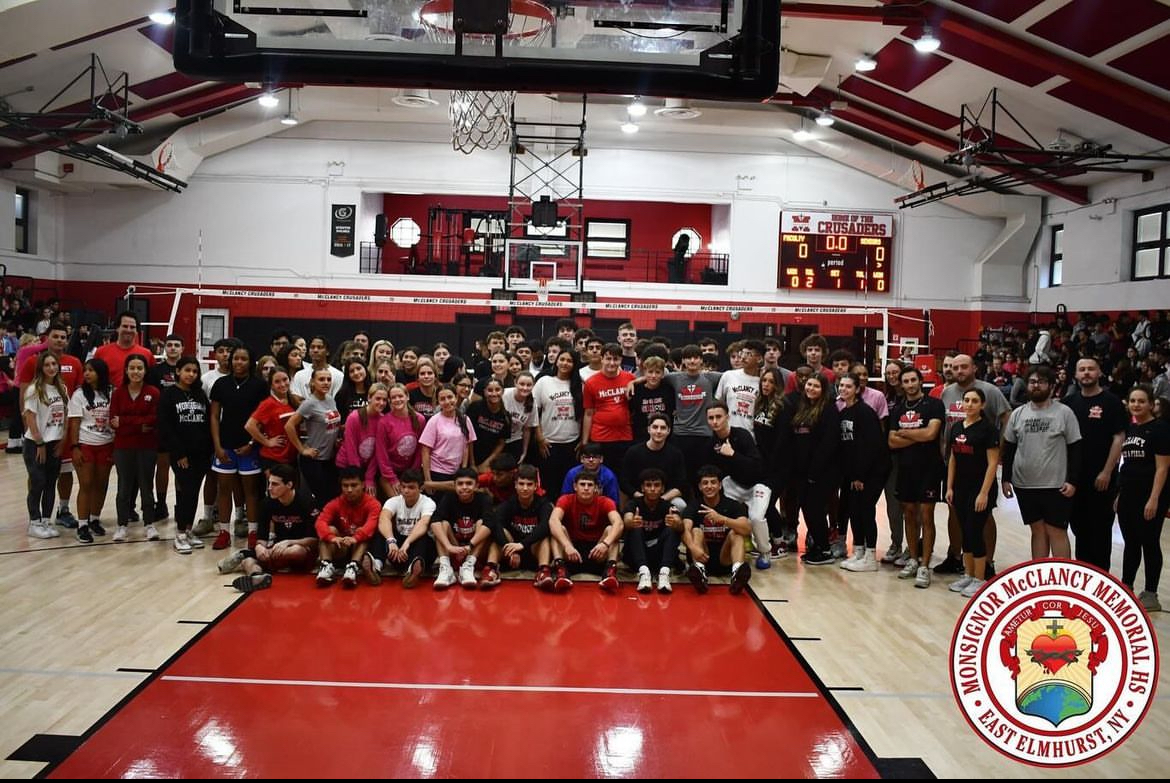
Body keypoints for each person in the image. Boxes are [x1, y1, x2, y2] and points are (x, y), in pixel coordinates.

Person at [1001, 365, 1082, 560]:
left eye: (1042, 382)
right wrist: (1005, 479)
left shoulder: (1064, 412)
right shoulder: (1018, 414)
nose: (1036, 385)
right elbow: (1009, 448)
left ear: (1052, 386)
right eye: (1032, 382)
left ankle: (1062, 581)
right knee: (1037, 531)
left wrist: (1073, 480)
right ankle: (1041, 578)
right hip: (1024, 484)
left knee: (1056, 531)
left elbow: (1076, 449)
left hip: (1056, 485)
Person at [1063, 357, 1127, 572]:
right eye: (1082, 369)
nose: (1087, 373)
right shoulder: (1069, 403)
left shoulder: (1111, 402)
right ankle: (1084, 575)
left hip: (1101, 479)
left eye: (1091, 369)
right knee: (1080, 530)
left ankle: (1101, 577)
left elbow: (1119, 438)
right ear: (1076, 375)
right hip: (1075, 479)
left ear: (1099, 373)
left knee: (1099, 532)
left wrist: (1107, 471)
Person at [218, 464, 318, 591]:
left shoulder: (306, 502)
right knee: (248, 562)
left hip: (301, 551)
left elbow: (315, 541)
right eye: (269, 483)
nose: (270, 488)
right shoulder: (267, 503)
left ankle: (246, 554)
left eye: (275, 484)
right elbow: (262, 538)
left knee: (295, 551)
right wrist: (260, 548)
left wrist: (289, 542)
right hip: (277, 551)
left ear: (289, 485)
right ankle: (258, 577)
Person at [888, 366, 946, 588]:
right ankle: (912, 559)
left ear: (921, 381)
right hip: (905, 468)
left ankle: (925, 565)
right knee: (909, 514)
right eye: (906, 381)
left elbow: (931, 434)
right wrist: (918, 436)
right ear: (901, 385)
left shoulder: (934, 405)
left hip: (929, 468)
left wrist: (905, 433)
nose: (910, 384)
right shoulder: (898, 408)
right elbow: (892, 442)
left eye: (914, 380)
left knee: (926, 515)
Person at [1116, 385, 1169, 612]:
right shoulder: (1129, 429)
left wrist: (1154, 498)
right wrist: (1119, 494)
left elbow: (1163, 468)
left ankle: (1151, 593)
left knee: (1149, 542)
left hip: (1150, 496)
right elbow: (1125, 464)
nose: (1136, 405)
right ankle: (1126, 586)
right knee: (1131, 542)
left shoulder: (1160, 429)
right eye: (1133, 401)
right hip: (1128, 494)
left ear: (1150, 404)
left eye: (1141, 401)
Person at [945, 388, 1000, 598]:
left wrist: (984, 493)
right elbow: (953, 459)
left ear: (982, 405)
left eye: (974, 401)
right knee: (965, 533)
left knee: (975, 532)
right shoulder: (957, 426)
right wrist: (950, 487)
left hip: (980, 490)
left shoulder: (988, 430)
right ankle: (968, 574)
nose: (969, 404)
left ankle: (980, 579)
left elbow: (993, 463)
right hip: (960, 488)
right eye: (966, 400)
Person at [157, 356, 212, 554]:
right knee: (185, 491)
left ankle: (188, 530)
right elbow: (166, 427)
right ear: (178, 371)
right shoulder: (169, 394)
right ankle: (179, 533)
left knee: (193, 492)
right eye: (187, 370)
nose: (191, 374)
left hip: (201, 453)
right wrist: (178, 452)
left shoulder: (199, 394)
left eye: (195, 371)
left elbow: (206, 424)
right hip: (181, 453)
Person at [837, 374, 889, 573]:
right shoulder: (844, 412)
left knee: (866, 510)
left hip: (872, 471)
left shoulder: (865, 412)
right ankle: (858, 551)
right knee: (854, 510)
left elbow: (869, 446)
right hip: (854, 472)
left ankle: (870, 556)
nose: (844, 389)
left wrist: (860, 475)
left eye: (848, 386)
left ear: (857, 389)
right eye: (841, 386)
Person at [110, 354, 160, 543]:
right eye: (132, 368)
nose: (136, 372)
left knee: (147, 486)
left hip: (147, 447)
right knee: (124, 486)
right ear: (126, 370)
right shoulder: (118, 393)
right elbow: (113, 421)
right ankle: (122, 525)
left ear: (145, 371)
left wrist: (125, 421)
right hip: (123, 447)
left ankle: (149, 524)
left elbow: (154, 419)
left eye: (140, 368)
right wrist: (138, 423)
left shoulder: (153, 392)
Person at [547, 470, 625, 592]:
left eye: (590, 485)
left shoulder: (605, 502)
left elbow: (619, 523)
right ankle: (561, 571)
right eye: (582, 484)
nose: (586, 488)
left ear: (596, 488)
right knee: (558, 529)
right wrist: (567, 545)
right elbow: (553, 521)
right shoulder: (565, 500)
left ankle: (610, 573)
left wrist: (605, 544)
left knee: (612, 530)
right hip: (572, 551)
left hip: (597, 551)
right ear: (575, 486)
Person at [682, 465, 752, 595]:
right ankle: (700, 573)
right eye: (705, 483)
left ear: (720, 485)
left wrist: (723, 519)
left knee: (736, 533)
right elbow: (684, 529)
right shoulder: (693, 505)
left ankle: (737, 574)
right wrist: (692, 547)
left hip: (725, 558)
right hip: (702, 556)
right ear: (700, 487)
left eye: (713, 482)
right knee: (696, 530)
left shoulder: (732, 505)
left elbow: (747, 529)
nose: (709, 486)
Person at [66, 358, 115, 544]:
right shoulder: (79, 395)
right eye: (85, 370)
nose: (86, 373)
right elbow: (75, 423)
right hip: (86, 444)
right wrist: (75, 447)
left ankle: (95, 519)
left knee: (101, 484)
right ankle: (82, 524)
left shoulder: (111, 392)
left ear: (101, 373)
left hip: (107, 443)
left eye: (91, 370)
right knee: (86, 484)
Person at [22, 352, 68, 539]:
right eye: (47, 364)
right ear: (41, 367)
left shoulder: (62, 388)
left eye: (54, 364)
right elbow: (30, 417)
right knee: (38, 481)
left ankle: (46, 520)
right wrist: (39, 442)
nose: (51, 367)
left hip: (55, 442)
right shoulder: (35, 389)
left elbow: (65, 414)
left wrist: (63, 439)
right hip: (36, 443)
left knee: (51, 483)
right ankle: (34, 521)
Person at [313, 467, 382, 588]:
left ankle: (353, 567)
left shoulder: (373, 504)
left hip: (361, 548)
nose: (349, 490)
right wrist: (332, 538)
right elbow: (320, 522)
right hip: (342, 547)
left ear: (363, 485)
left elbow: (371, 525)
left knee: (365, 535)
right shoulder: (335, 503)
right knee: (329, 530)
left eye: (354, 485)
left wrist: (355, 538)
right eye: (345, 485)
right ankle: (326, 566)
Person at [490, 464, 554, 590]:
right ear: (515, 485)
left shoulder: (544, 504)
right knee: (498, 532)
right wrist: (509, 549)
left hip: (532, 550)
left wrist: (522, 545)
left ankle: (543, 571)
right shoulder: (508, 504)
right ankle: (490, 569)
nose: (525, 488)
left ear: (536, 486)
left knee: (544, 539)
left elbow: (545, 527)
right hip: (511, 553)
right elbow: (495, 525)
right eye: (521, 484)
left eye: (529, 484)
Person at [429, 468, 493, 590]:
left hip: (474, 549)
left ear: (476, 485)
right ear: (455, 485)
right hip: (454, 547)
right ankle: (446, 569)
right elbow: (434, 521)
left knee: (482, 523)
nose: (464, 487)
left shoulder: (484, 499)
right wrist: (449, 546)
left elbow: (490, 525)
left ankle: (468, 567)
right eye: (460, 483)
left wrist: (470, 546)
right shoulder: (448, 497)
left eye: (469, 483)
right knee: (442, 524)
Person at [375, 468, 436, 588]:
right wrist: (391, 541)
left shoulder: (428, 503)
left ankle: (413, 569)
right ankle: (375, 565)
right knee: (381, 533)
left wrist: (407, 543)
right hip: (398, 551)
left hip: (420, 550)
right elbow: (383, 519)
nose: (406, 491)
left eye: (411, 487)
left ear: (420, 488)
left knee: (423, 538)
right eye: (403, 487)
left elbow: (423, 524)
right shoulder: (393, 501)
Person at [622, 468, 681, 593]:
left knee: (672, 530)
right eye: (648, 485)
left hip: (659, 554)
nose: (653, 489)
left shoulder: (668, 506)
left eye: (656, 485)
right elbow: (626, 520)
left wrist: (675, 522)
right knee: (635, 529)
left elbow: (680, 524)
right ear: (642, 488)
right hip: (637, 553)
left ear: (663, 489)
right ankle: (644, 573)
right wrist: (631, 522)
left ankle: (664, 574)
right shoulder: (633, 504)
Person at [93, 311, 154, 388]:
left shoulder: (147, 354)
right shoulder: (101, 352)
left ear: (136, 331)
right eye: (125, 326)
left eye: (132, 327)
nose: (128, 330)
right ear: (117, 328)